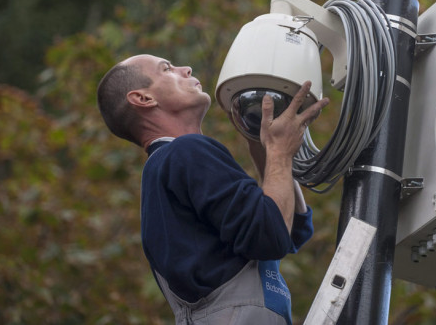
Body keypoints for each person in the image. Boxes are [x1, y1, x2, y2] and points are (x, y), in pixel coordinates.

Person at [96, 54, 329, 324]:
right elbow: (271, 236)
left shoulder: (170, 164)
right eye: (167, 68)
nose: (186, 68)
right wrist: (279, 152)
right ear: (143, 98)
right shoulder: (186, 152)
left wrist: (261, 144)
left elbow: (293, 230)